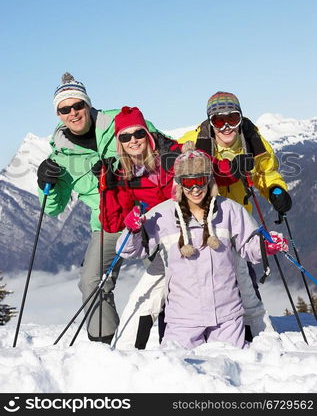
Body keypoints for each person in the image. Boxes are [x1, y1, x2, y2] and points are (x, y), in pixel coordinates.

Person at [96, 105, 243, 348]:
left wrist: (236, 167)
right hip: (167, 244)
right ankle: (131, 353)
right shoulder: (123, 174)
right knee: (145, 298)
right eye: (125, 136)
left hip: (200, 233)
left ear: (148, 134)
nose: (133, 140)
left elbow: (208, 170)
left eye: (139, 133)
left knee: (234, 285)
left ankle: (254, 336)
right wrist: (107, 188)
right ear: (119, 142)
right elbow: (112, 223)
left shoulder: (172, 155)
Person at [115, 145, 288, 349]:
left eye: (201, 180)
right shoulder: (162, 215)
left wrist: (266, 247)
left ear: (210, 181)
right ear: (179, 184)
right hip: (183, 320)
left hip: (227, 318)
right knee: (182, 374)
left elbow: (249, 247)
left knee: (232, 373)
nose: (195, 188)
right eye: (188, 182)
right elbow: (128, 251)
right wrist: (133, 231)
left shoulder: (230, 210)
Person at [36, 73, 163, 344]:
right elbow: (53, 208)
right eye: (65, 109)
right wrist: (44, 182)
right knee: (92, 281)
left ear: (87, 104)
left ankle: (175, 333)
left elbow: (158, 147)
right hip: (107, 223)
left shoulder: (121, 122)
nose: (73, 113)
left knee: (170, 271)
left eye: (77, 106)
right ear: (58, 114)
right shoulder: (61, 154)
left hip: (148, 214)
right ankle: (104, 344)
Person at [178, 91, 292, 340]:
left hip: (240, 219)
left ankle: (253, 331)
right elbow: (176, 172)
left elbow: (266, 173)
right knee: (206, 277)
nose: (227, 126)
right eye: (219, 121)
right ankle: (203, 328)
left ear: (241, 118)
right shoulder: (193, 141)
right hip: (204, 222)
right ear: (210, 122)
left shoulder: (253, 141)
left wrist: (275, 189)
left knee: (245, 278)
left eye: (233, 118)